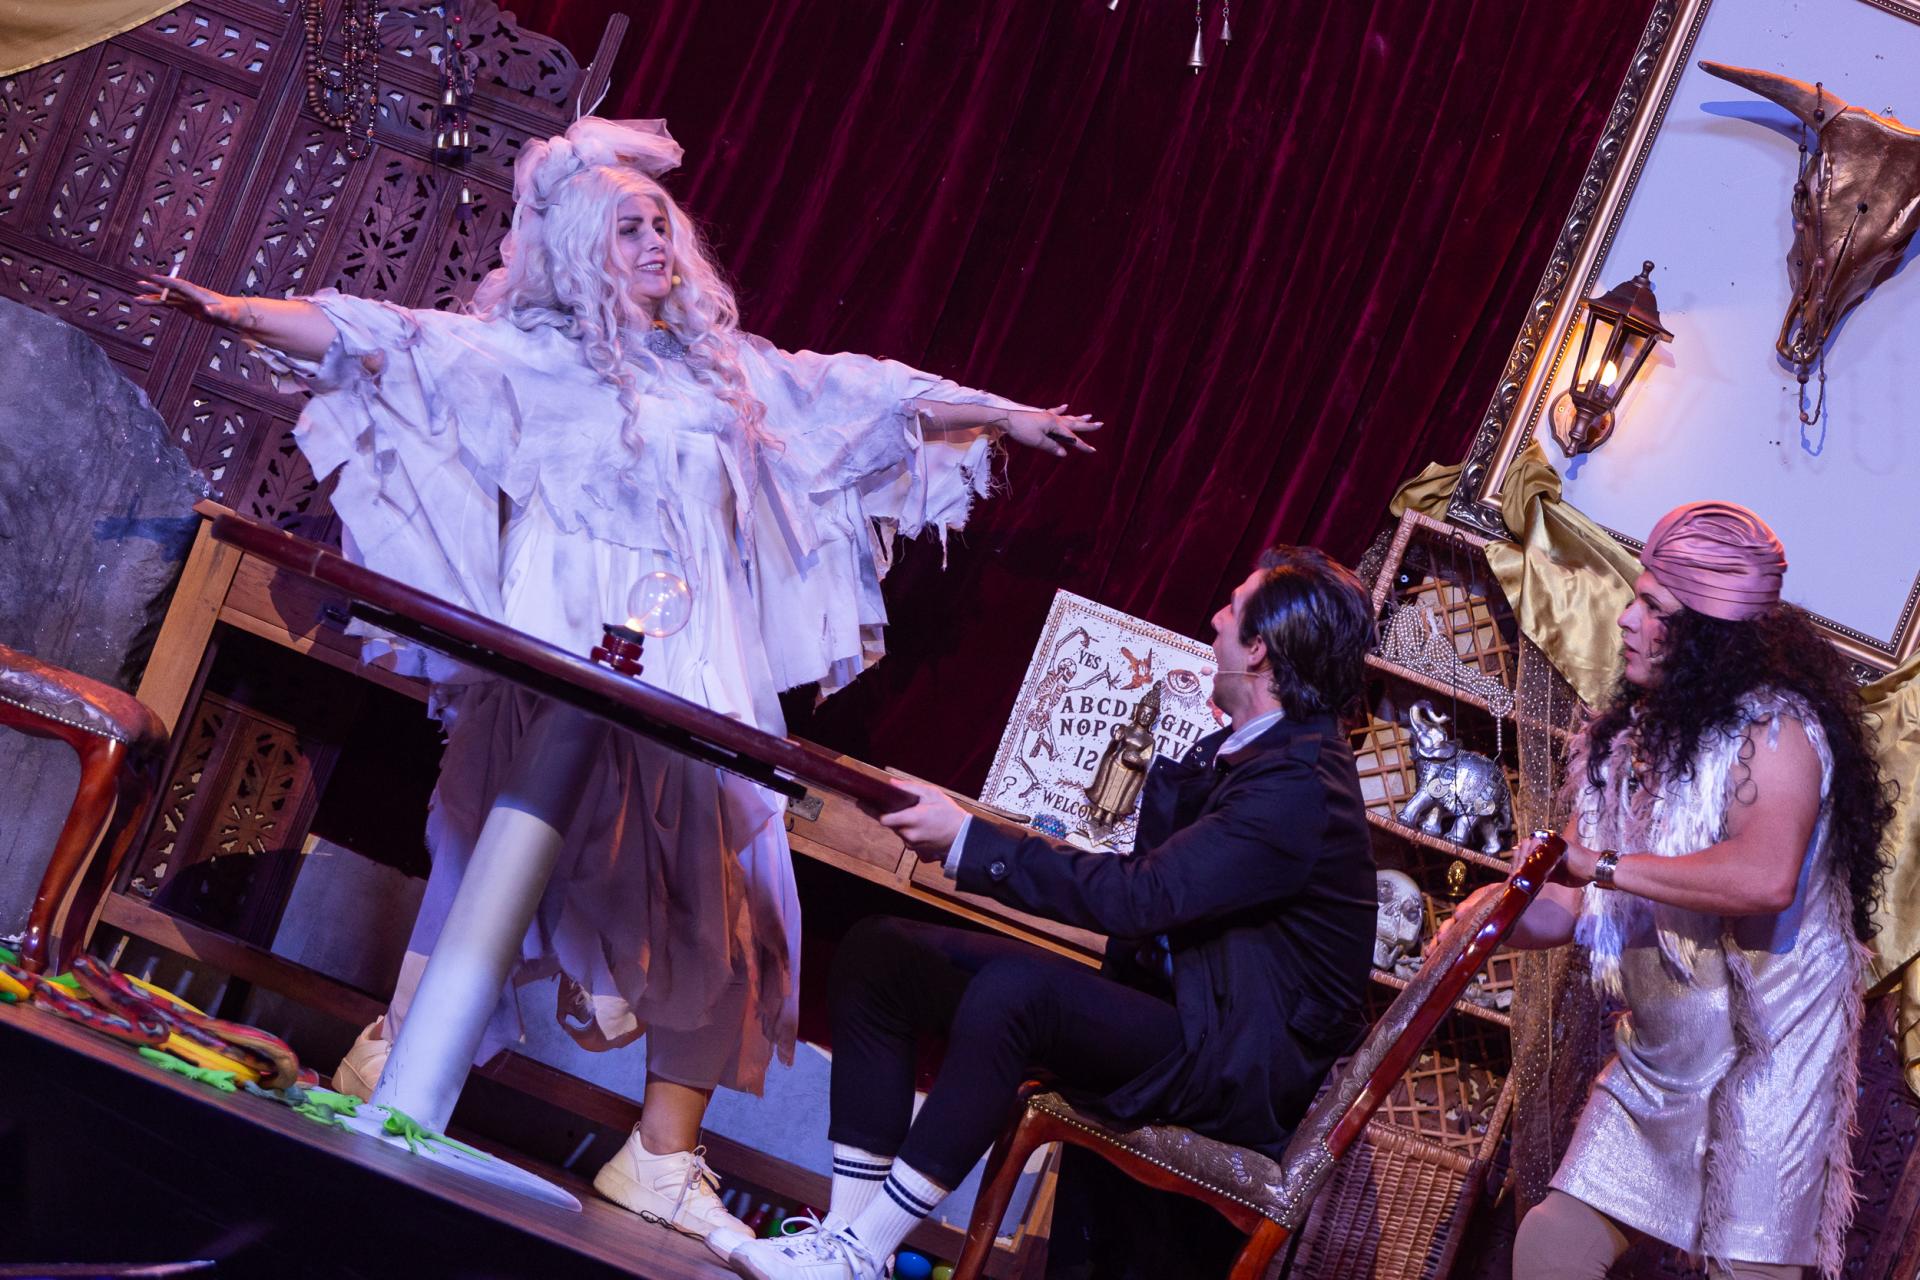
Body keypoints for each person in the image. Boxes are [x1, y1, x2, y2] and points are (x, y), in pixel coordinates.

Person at [137, 116, 1099, 1238]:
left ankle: (661, 1154)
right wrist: (239, 311)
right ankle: (401, 1052)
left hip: (692, 658)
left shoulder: (725, 372)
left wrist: (998, 412)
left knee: (730, 885)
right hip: (562, 642)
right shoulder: (526, 356)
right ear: (581, 249)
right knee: (496, 846)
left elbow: (855, 394)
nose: (657, 245)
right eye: (630, 229)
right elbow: (387, 339)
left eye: (662, 226)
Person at [717, 545, 1378, 1280]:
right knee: (883, 956)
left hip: (1230, 1059)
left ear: (1259, 649)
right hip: (1189, 1013)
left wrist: (967, 840)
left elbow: (1142, 896)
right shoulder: (1254, 752)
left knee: (1018, 995)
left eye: (1233, 608)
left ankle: (864, 1248)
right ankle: (846, 1238)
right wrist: (968, 841)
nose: (1215, 621)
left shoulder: (1298, 787)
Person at [1496, 502, 1892, 1280]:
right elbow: (1564, 906)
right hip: (1659, 1063)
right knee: (1551, 1244)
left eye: (1654, 607)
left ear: (1710, 635)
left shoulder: (1776, 736)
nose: (1627, 619)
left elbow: (1764, 876)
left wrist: (1602, 864)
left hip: (1768, 1068)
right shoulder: (1620, 744)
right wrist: (1493, 915)